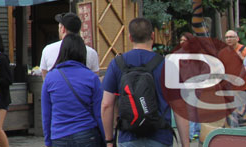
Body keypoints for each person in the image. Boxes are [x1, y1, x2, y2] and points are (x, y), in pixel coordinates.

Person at [101, 17, 189, 147]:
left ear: (130, 38)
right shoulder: (167, 65)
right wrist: (186, 144)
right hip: (160, 137)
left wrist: (109, 140)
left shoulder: (117, 64)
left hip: (128, 137)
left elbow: (106, 105)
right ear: (153, 36)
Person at [41, 33, 104, 147]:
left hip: (59, 136)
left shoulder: (50, 77)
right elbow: (99, 113)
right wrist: (106, 139)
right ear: (82, 52)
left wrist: (48, 141)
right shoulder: (91, 77)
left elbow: (46, 114)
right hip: (86, 133)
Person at [41, 13, 100, 78]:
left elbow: (45, 78)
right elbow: (95, 79)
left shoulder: (48, 50)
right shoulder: (92, 53)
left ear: (63, 29)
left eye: (59, 27)